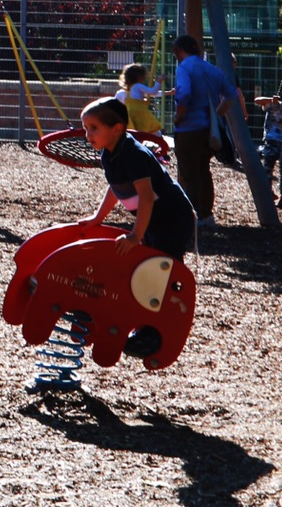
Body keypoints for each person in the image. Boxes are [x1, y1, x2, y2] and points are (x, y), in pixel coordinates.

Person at [78, 94, 199, 359]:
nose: (88, 134)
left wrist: (136, 235)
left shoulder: (132, 154)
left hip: (171, 219)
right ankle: (144, 324)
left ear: (117, 129)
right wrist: (98, 218)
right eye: (86, 128)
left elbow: (145, 196)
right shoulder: (109, 153)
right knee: (147, 270)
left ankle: (154, 333)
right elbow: (117, 187)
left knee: (160, 272)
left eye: (94, 128)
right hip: (156, 220)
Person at [172, 34, 239, 226]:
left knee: (188, 172)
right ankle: (206, 214)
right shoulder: (211, 68)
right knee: (203, 170)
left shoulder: (184, 67)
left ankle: (192, 214)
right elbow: (230, 94)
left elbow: (184, 94)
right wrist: (217, 114)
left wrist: (179, 116)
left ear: (178, 51)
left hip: (188, 127)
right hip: (208, 128)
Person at [115, 62, 163, 135]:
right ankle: (161, 141)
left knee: (136, 132)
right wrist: (159, 81)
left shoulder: (129, 89)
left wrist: (143, 101)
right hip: (140, 113)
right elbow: (152, 92)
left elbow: (137, 100)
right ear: (139, 77)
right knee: (154, 131)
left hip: (131, 113)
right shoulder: (138, 86)